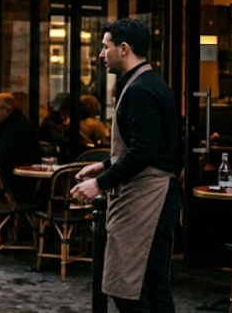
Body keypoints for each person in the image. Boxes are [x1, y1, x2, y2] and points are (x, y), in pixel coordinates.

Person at [71, 18, 182, 312]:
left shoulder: (140, 90)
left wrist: (100, 182)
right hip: (159, 195)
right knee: (154, 285)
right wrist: (104, 164)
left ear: (123, 48)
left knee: (126, 288)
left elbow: (144, 152)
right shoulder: (150, 83)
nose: (100, 54)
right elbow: (149, 145)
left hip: (149, 198)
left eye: (105, 47)